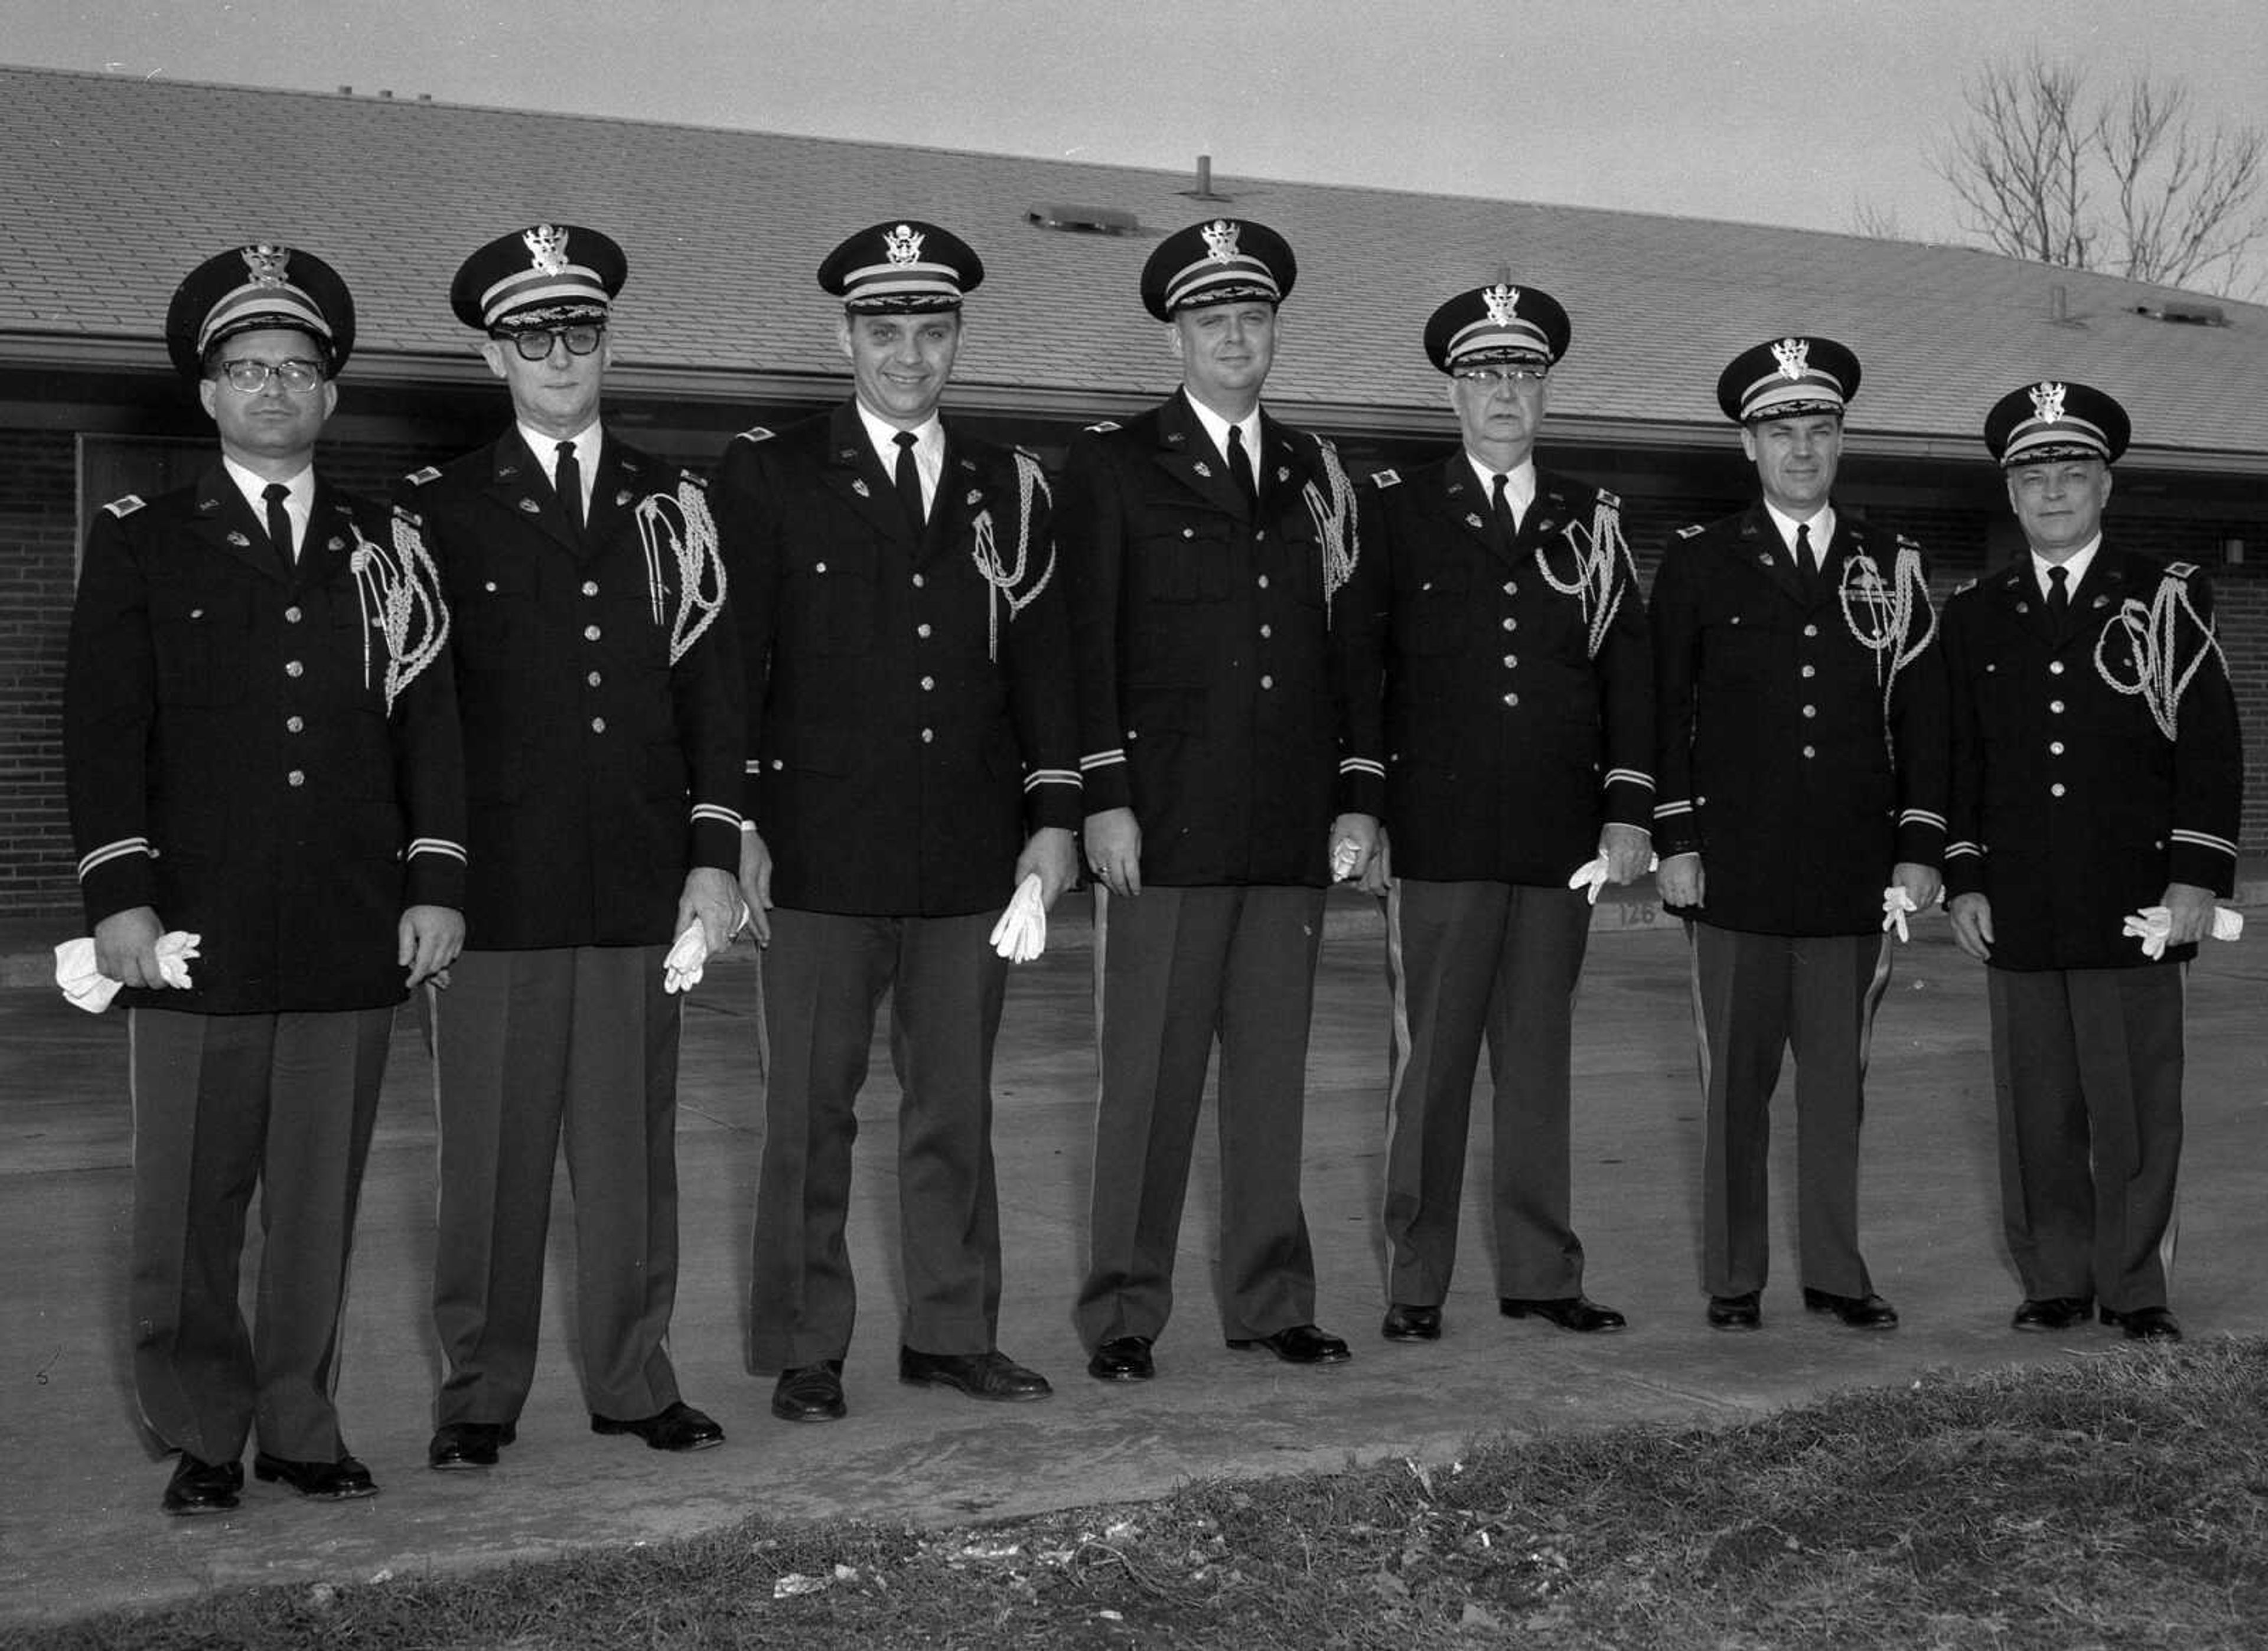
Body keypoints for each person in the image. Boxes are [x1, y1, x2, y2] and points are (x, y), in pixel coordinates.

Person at [64, 244, 464, 1514]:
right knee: (190, 1203)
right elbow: (101, 727)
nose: (274, 391)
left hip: (350, 919)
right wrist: (119, 895)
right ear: (208, 394)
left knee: (315, 1196)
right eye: (247, 370)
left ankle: (301, 1422)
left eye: (298, 370)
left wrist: (436, 882)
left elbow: (431, 727)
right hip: (196, 929)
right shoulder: (143, 541)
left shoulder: (387, 543)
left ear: (331, 394)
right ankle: (202, 1433)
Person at [715, 220, 1078, 1422]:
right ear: (845, 338)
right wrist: (739, 825)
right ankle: (807, 1345)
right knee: (808, 1115)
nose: (909, 356)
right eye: (885, 333)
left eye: (932, 332)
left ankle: (951, 1329)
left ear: (959, 340)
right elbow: (732, 665)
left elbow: (1046, 668)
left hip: (971, 849)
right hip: (817, 848)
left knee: (955, 1107)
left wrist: (1052, 818)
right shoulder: (769, 473)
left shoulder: (1010, 483)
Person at [406, 223, 743, 1468]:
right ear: (496, 356)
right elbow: (421, 709)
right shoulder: (437, 508)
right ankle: (479, 1396)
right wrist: (430, 877)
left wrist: (712, 854)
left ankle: (632, 1377)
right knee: (489, 1158)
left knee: (629, 1153)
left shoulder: (678, 501)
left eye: (581, 331)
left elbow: (714, 692)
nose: (560, 354)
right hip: (495, 889)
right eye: (533, 335)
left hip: (635, 879)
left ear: (607, 342)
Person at [1065, 218, 1382, 1382]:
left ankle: (1269, 1300)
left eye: (1252, 316)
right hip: (1166, 820)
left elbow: (1355, 652)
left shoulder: (1321, 474)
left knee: (1269, 1078)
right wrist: (1104, 797)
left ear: (1276, 329)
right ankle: (1124, 1314)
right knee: (1148, 1083)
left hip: (1289, 820)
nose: (1235, 336)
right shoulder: (1112, 465)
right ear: (1176, 334)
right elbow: (1080, 643)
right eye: (1212, 319)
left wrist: (1357, 796)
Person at [1342, 282, 1651, 1344]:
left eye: (1524, 375)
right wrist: (1366, 809)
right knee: (1429, 1068)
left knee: (1537, 1067)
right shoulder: (1392, 508)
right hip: (1440, 833)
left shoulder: (1594, 520)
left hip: (1558, 841)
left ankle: (1540, 1273)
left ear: (1548, 392)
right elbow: (1360, 672)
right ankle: (1415, 1281)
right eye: (1485, 376)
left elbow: (1629, 679)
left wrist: (1627, 814)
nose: (1505, 393)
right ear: (1453, 393)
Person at [1650, 335, 1946, 1333]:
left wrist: (1918, 848)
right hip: (1732, 873)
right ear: (1748, 444)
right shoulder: (1698, 564)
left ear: (1842, 440)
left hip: (1852, 877)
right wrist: (1675, 840)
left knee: (1836, 1092)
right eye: (1782, 431)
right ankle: (1736, 1281)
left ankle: (1835, 1271)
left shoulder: (1892, 565)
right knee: (1734, 1088)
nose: (1803, 449)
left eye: (1820, 430)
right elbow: (1666, 713)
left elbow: (1925, 721)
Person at [1943, 381, 2242, 1342]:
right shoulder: (1978, 612)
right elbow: (1958, 755)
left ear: (2106, 486)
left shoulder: (2167, 594)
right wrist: (1964, 874)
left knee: (2135, 1108)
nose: (2055, 493)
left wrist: (2195, 877)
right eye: (2036, 477)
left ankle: (2138, 1286)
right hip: (2021, 900)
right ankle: (2056, 1279)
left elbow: (2209, 744)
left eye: (2074, 474)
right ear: (2011, 493)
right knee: (2037, 1110)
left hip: (2134, 898)